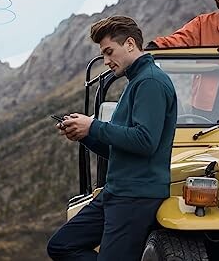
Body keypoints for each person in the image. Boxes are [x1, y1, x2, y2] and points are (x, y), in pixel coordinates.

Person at [47, 16, 177, 261]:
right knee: (62, 245)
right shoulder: (135, 82)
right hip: (116, 192)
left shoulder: (150, 81)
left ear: (129, 44)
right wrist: (84, 134)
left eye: (109, 52)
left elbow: (145, 141)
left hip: (135, 197)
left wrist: (94, 126)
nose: (106, 61)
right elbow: (120, 149)